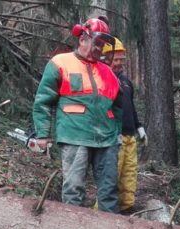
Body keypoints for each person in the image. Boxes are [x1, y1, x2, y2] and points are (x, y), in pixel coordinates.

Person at [32, 18, 121, 213]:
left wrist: (118, 133)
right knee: (73, 189)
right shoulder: (60, 63)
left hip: (106, 139)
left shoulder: (107, 72)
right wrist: (42, 133)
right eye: (97, 43)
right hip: (75, 135)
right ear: (83, 39)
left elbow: (119, 106)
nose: (100, 48)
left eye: (103, 45)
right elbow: (43, 101)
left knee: (109, 191)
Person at [98, 37, 147, 211]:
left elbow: (130, 106)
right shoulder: (102, 79)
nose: (119, 63)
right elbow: (101, 109)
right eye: (116, 59)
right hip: (113, 137)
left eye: (121, 59)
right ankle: (102, 213)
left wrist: (139, 127)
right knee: (111, 176)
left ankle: (126, 208)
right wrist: (112, 131)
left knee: (130, 174)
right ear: (106, 58)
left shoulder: (126, 82)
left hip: (130, 135)